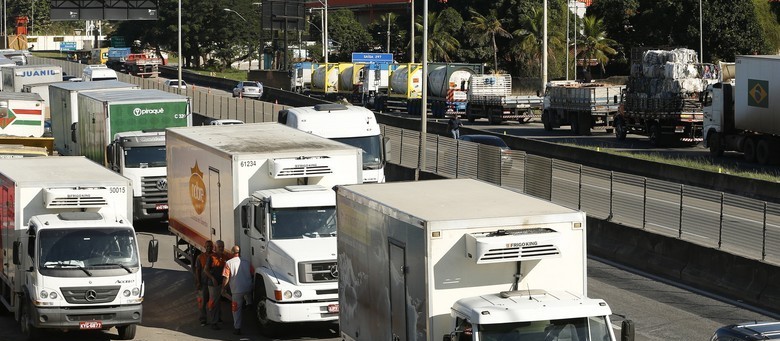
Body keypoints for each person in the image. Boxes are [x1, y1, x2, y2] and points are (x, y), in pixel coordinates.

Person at [222, 245, 253, 335]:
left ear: (232, 253)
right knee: (247, 294)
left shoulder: (229, 263)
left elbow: (226, 277)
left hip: (237, 291)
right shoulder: (247, 262)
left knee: (236, 309)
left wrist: (223, 288)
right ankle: (249, 303)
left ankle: (237, 328)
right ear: (239, 253)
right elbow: (252, 273)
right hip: (248, 288)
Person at [203, 240, 227, 330]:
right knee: (213, 303)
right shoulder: (211, 257)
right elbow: (206, 270)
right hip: (213, 284)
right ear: (215, 248)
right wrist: (213, 278)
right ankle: (213, 322)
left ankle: (218, 318)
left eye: (222, 247)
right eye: (219, 247)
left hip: (222, 283)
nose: (221, 248)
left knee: (218, 302)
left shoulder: (225, 257)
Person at [193, 240, 214, 326]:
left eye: (210, 246)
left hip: (213, 284)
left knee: (214, 302)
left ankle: (216, 318)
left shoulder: (215, 257)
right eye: (207, 246)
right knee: (203, 302)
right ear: (205, 247)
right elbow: (197, 270)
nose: (209, 248)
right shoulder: (200, 257)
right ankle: (203, 319)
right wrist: (198, 281)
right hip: (204, 282)